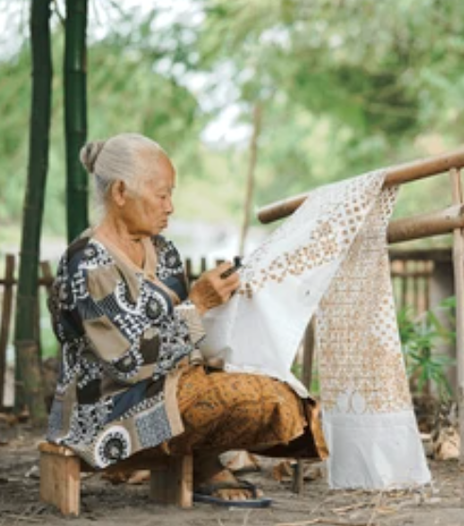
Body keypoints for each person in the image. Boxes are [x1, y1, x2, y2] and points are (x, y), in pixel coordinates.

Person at [47, 133, 326, 504]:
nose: (170, 207)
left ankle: (202, 458)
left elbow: (185, 334)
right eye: (162, 195)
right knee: (254, 400)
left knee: (279, 396)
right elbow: (129, 364)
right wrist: (198, 305)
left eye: (171, 194)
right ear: (119, 193)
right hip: (107, 409)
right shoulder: (89, 263)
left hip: (176, 384)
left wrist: (227, 302)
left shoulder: (164, 253)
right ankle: (203, 461)